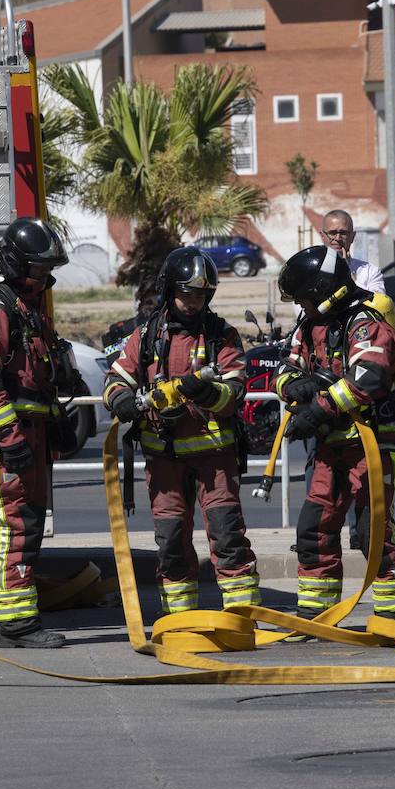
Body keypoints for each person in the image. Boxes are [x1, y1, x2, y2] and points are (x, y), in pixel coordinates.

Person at [103, 247, 258, 615]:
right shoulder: (146, 336)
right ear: (169, 290)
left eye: (201, 295)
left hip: (214, 460)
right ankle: (181, 621)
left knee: (227, 536)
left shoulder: (222, 335)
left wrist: (208, 392)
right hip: (165, 462)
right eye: (186, 294)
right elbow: (115, 380)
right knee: (171, 543)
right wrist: (121, 399)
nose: (193, 302)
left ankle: (243, 617)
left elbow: (236, 390)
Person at [274, 246, 395, 622]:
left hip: (372, 443)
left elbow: (368, 377)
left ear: (322, 289)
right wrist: (293, 387)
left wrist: (319, 408)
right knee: (314, 528)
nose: (302, 304)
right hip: (330, 445)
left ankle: (393, 616)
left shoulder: (366, 323)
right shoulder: (310, 325)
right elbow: (285, 368)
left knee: (372, 531)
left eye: (304, 296)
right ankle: (316, 615)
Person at [0, 218, 77, 649]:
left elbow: (33, 377)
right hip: (6, 444)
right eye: (38, 269)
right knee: (18, 530)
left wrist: (57, 418)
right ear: (16, 264)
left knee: (6, 532)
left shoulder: (23, 307)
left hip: (29, 437)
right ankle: (19, 625)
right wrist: (10, 438)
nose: (45, 277)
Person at [320, 210, 385, 294]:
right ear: (322, 236)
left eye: (343, 233)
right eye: (332, 233)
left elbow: (378, 304)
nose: (338, 238)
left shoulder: (370, 272)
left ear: (352, 236)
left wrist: (350, 278)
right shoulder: (311, 270)